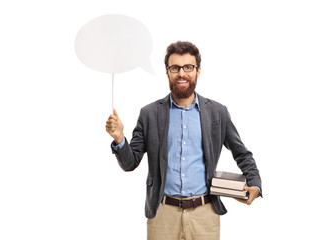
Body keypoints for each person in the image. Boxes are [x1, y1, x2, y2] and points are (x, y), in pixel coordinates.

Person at [105, 41, 262, 240]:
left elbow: (242, 153)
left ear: (198, 71)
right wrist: (119, 139)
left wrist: (255, 183)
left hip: (205, 214)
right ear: (167, 72)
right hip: (162, 214)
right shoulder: (149, 114)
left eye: (188, 67)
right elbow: (130, 162)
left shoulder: (217, 112)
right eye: (175, 67)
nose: (181, 73)